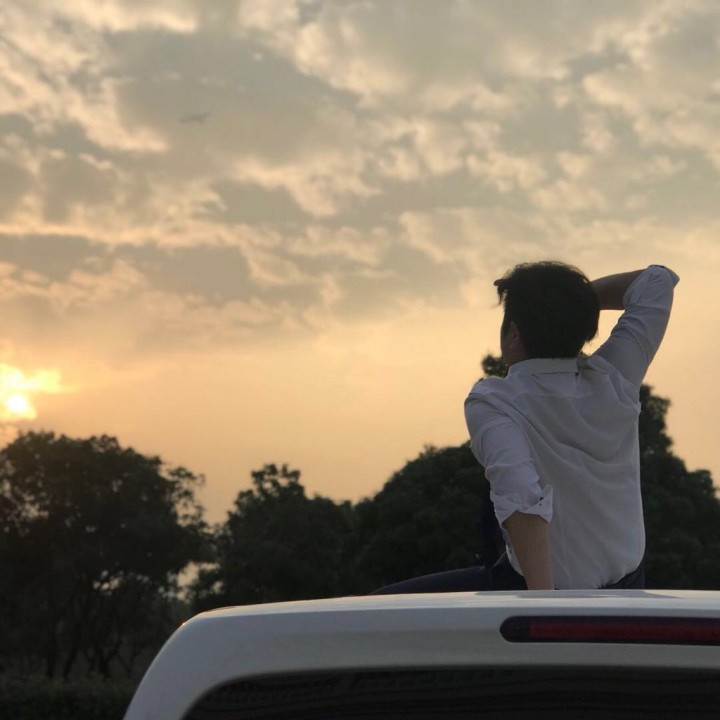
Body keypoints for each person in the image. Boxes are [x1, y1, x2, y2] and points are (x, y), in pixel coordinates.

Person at [372, 262, 678, 593]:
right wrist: (567, 304)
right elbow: (657, 281)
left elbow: (521, 500)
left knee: (377, 608)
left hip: (536, 590)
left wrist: (543, 610)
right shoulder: (615, 376)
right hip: (626, 587)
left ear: (514, 334)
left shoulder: (495, 401)